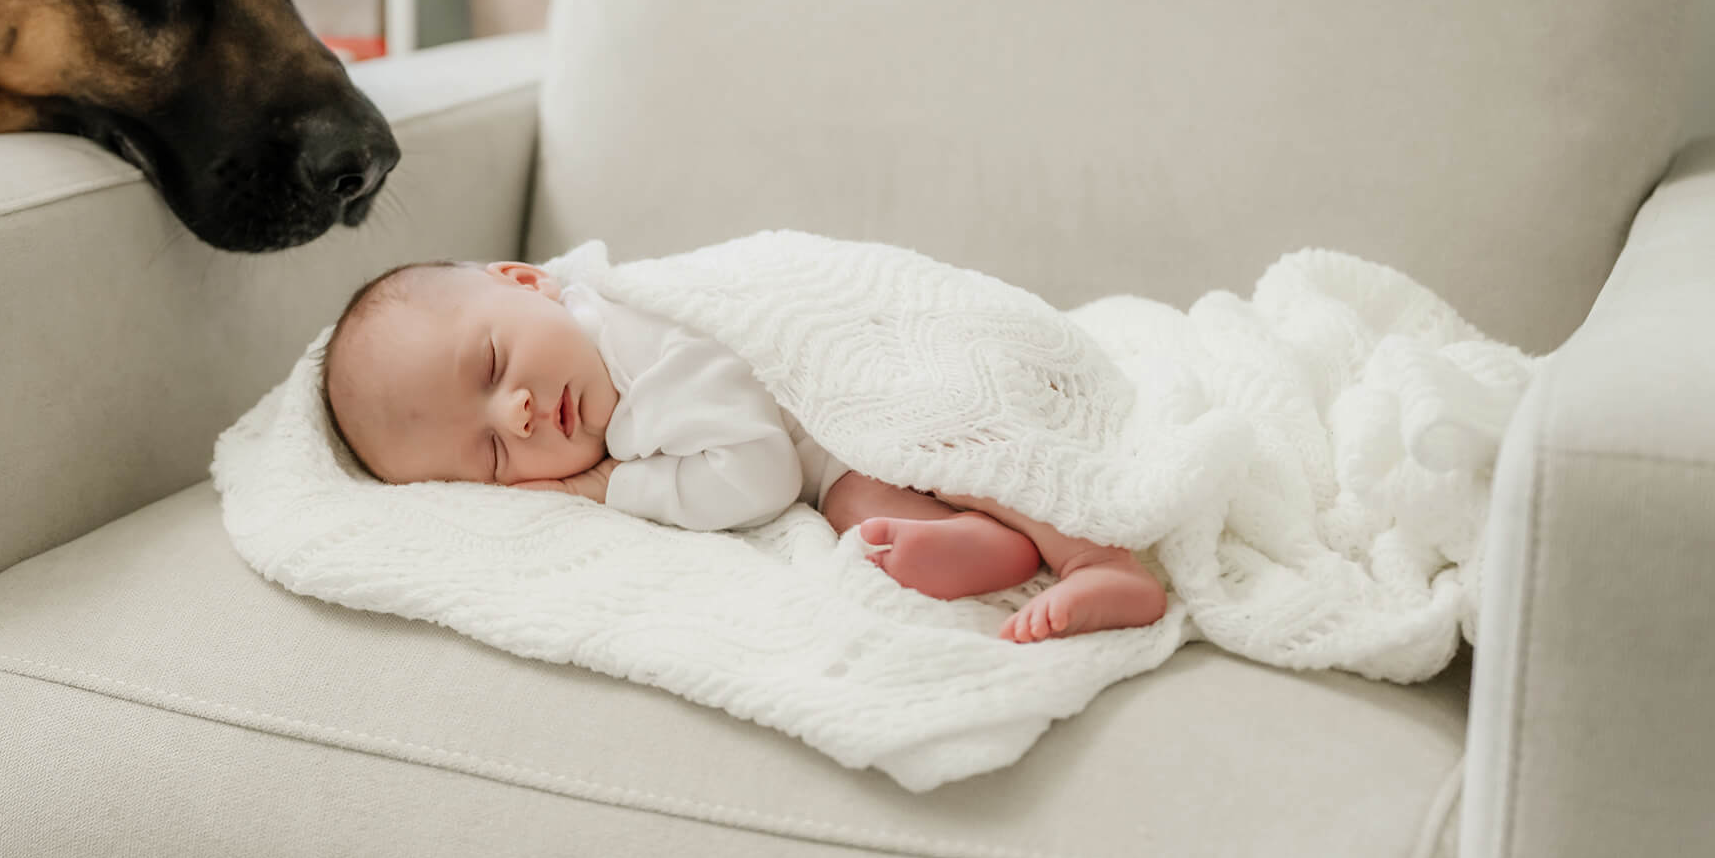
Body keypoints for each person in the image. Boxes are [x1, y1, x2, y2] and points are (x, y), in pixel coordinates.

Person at [320, 258, 1169, 644]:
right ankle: (997, 543)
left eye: (495, 364)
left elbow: (758, 475)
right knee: (858, 511)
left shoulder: (637, 337)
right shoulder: (592, 376)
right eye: (495, 457)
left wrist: (617, 488)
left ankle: (1098, 557)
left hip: (885, 364)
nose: (521, 414)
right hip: (828, 441)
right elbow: (791, 463)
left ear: (527, 280)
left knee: (960, 434)